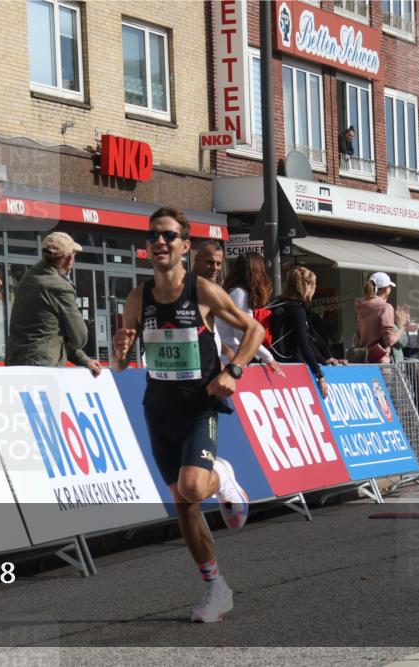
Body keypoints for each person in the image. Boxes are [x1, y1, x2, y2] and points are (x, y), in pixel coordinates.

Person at [111, 207, 262, 624]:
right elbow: (120, 364)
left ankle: (223, 477)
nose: (160, 242)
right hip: (159, 409)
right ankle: (216, 588)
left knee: (193, 487)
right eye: (154, 236)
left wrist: (234, 371)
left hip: (200, 404)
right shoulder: (138, 297)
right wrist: (119, 351)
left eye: (169, 236)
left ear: (184, 245)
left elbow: (255, 331)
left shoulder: (203, 291)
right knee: (183, 502)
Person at [5, 232, 102, 377]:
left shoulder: (29, 277)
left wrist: (84, 360)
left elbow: (50, 331)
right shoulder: (59, 287)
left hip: (17, 364)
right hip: (42, 369)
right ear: (69, 258)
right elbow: (80, 338)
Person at [269, 267, 344, 397]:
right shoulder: (297, 310)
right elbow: (305, 345)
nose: (314, 290)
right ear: (308, 286)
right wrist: (319, 375)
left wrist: (324, 359)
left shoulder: (277, 302)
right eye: (314, 286)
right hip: (292, 368)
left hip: (275, 363)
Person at [216, 252, 283, 375]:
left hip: (229, 358)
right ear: (256, 271)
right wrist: (269, 358)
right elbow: (245, 334)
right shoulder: (240, 294)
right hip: (229, 361)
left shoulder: (234, 292)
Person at [354, 272, 406, 364]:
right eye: (389, 287)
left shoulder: (361, 307)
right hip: (381, 363)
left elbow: (357, 337)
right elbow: (389, 340)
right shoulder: (385, 307)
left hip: (364, 360)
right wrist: (403, 327)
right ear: (387, 289)